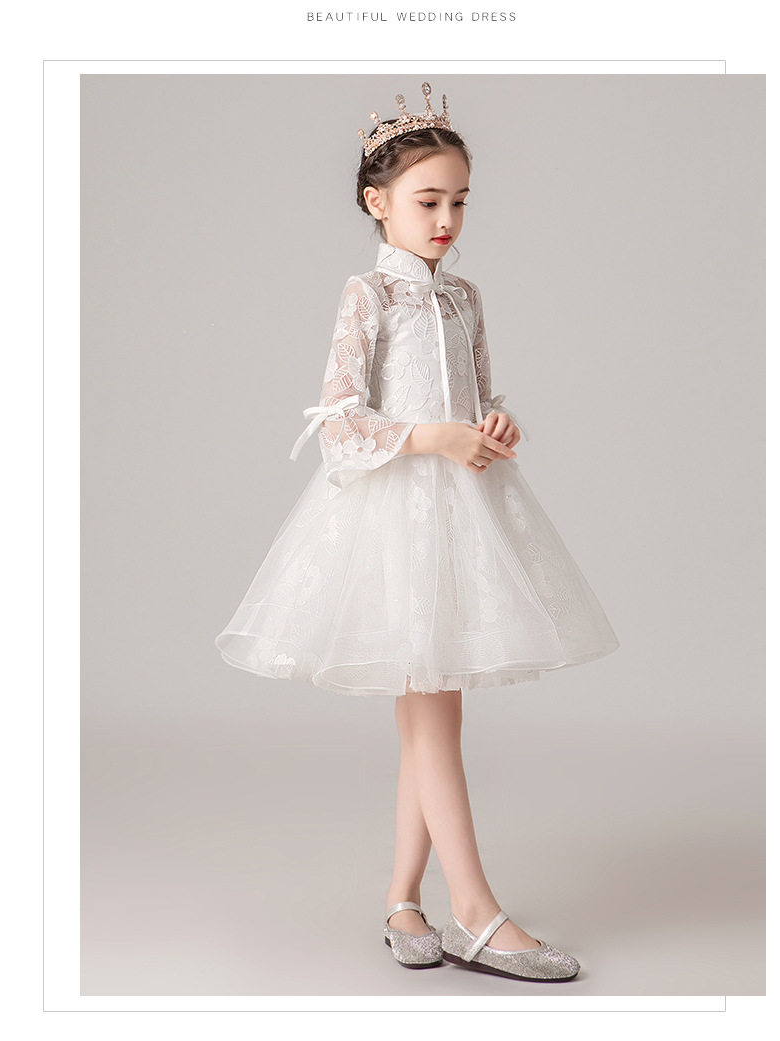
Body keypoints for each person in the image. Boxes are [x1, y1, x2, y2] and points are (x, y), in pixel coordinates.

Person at [214, 82, 619, 983]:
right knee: (434, 713)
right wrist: (433, 437)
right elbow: (340, 425)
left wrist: (493, 426)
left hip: (463, 520)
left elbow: (480, 396)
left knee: (428, 716)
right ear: (378, 201)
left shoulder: (465, 296)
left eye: (460, 202)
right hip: (396, 524)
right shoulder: (368, 295)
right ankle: (475, 911)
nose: (446, 220)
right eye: (428, 201)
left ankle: (403, 900)